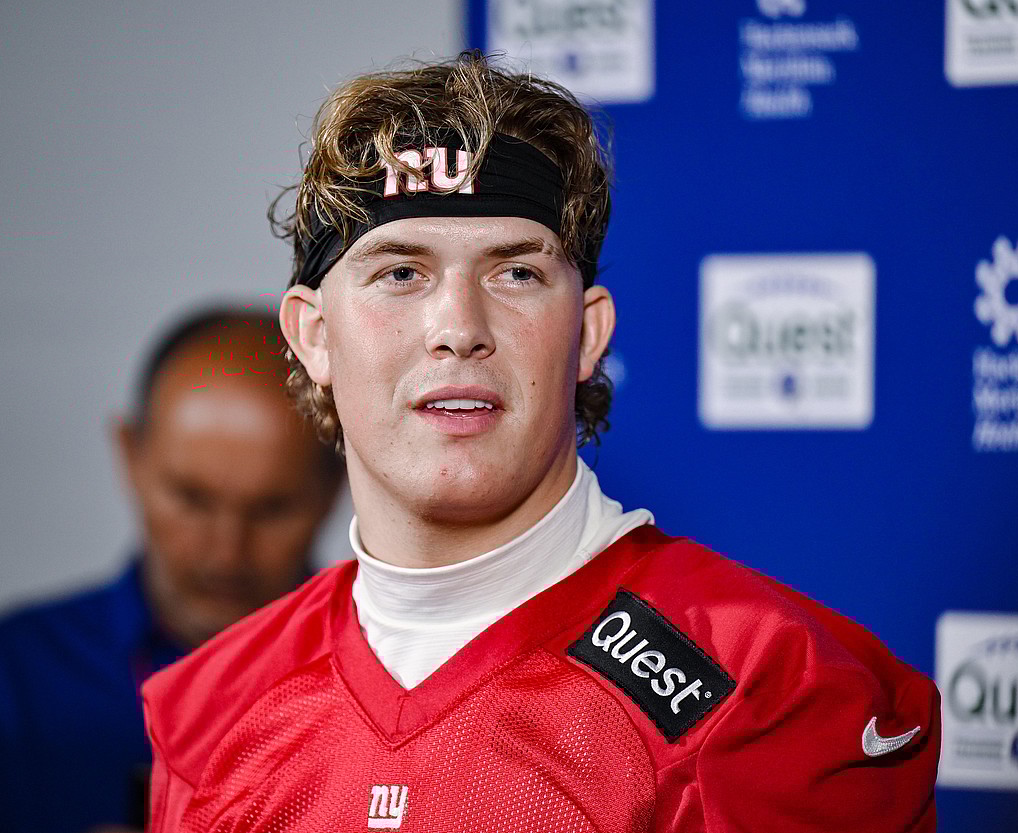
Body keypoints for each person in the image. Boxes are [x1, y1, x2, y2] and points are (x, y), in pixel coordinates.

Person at [142, 53, 940, 832]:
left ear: (587, 332)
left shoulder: (770, 686)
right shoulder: (208, 710)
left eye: (515, 273)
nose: (458, 328)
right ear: (313, 335)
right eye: (400, 273)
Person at [0, 309, 345, 833]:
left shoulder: (401, 679)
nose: (226, 552)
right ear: (130, 456)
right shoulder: (10, 681)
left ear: (336, 487)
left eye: (272, 509)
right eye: (191, 499)